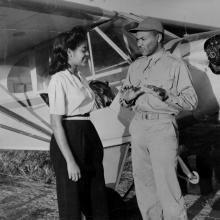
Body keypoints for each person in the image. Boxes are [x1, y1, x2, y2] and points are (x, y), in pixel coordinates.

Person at [120, 17, 198, 220]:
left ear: (158, 37)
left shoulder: (175, 65)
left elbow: (191, 101)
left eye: (144, 39)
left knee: (167, 187)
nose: (139, 44)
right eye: (137, 40)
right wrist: (127, 99)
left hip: (162, 127)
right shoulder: (135, 66)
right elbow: (124, 99)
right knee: (144, 188)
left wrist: (166, 95)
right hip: (138, 127)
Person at [48, 26, 109, 220]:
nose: (87, 54)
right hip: (69, 137)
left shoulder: (80, 77)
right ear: (69, 52)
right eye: (83, 49)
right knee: (71, 200)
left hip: (87, 132)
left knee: (96, 193)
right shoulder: (58, 80)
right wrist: (70, 161)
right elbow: (56, 123)